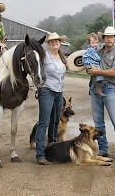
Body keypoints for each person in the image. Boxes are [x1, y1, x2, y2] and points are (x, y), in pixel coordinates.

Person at [88, 26, 115, 162]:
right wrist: (89, 69)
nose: (109, 39)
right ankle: (103, 148)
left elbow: (114, 72)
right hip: (95, 88)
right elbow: (89, 66)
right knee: (98, 123)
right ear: (104, 38)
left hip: (109, 88)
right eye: (107, 37)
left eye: (112, 37)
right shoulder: (97, 52)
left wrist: (97, 72)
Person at [36, 32, 68, 165]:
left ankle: (52, 148)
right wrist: (38, 87)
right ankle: (40, 154)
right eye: (52, 41)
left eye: (57, 41)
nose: (54, 43)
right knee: (44, 122)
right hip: (47, 90)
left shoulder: (61, 56)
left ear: (60, 43)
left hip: (59, 91)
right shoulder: (44, 56)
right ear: (48, 44)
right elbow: (36, 71)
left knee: (55, 121)